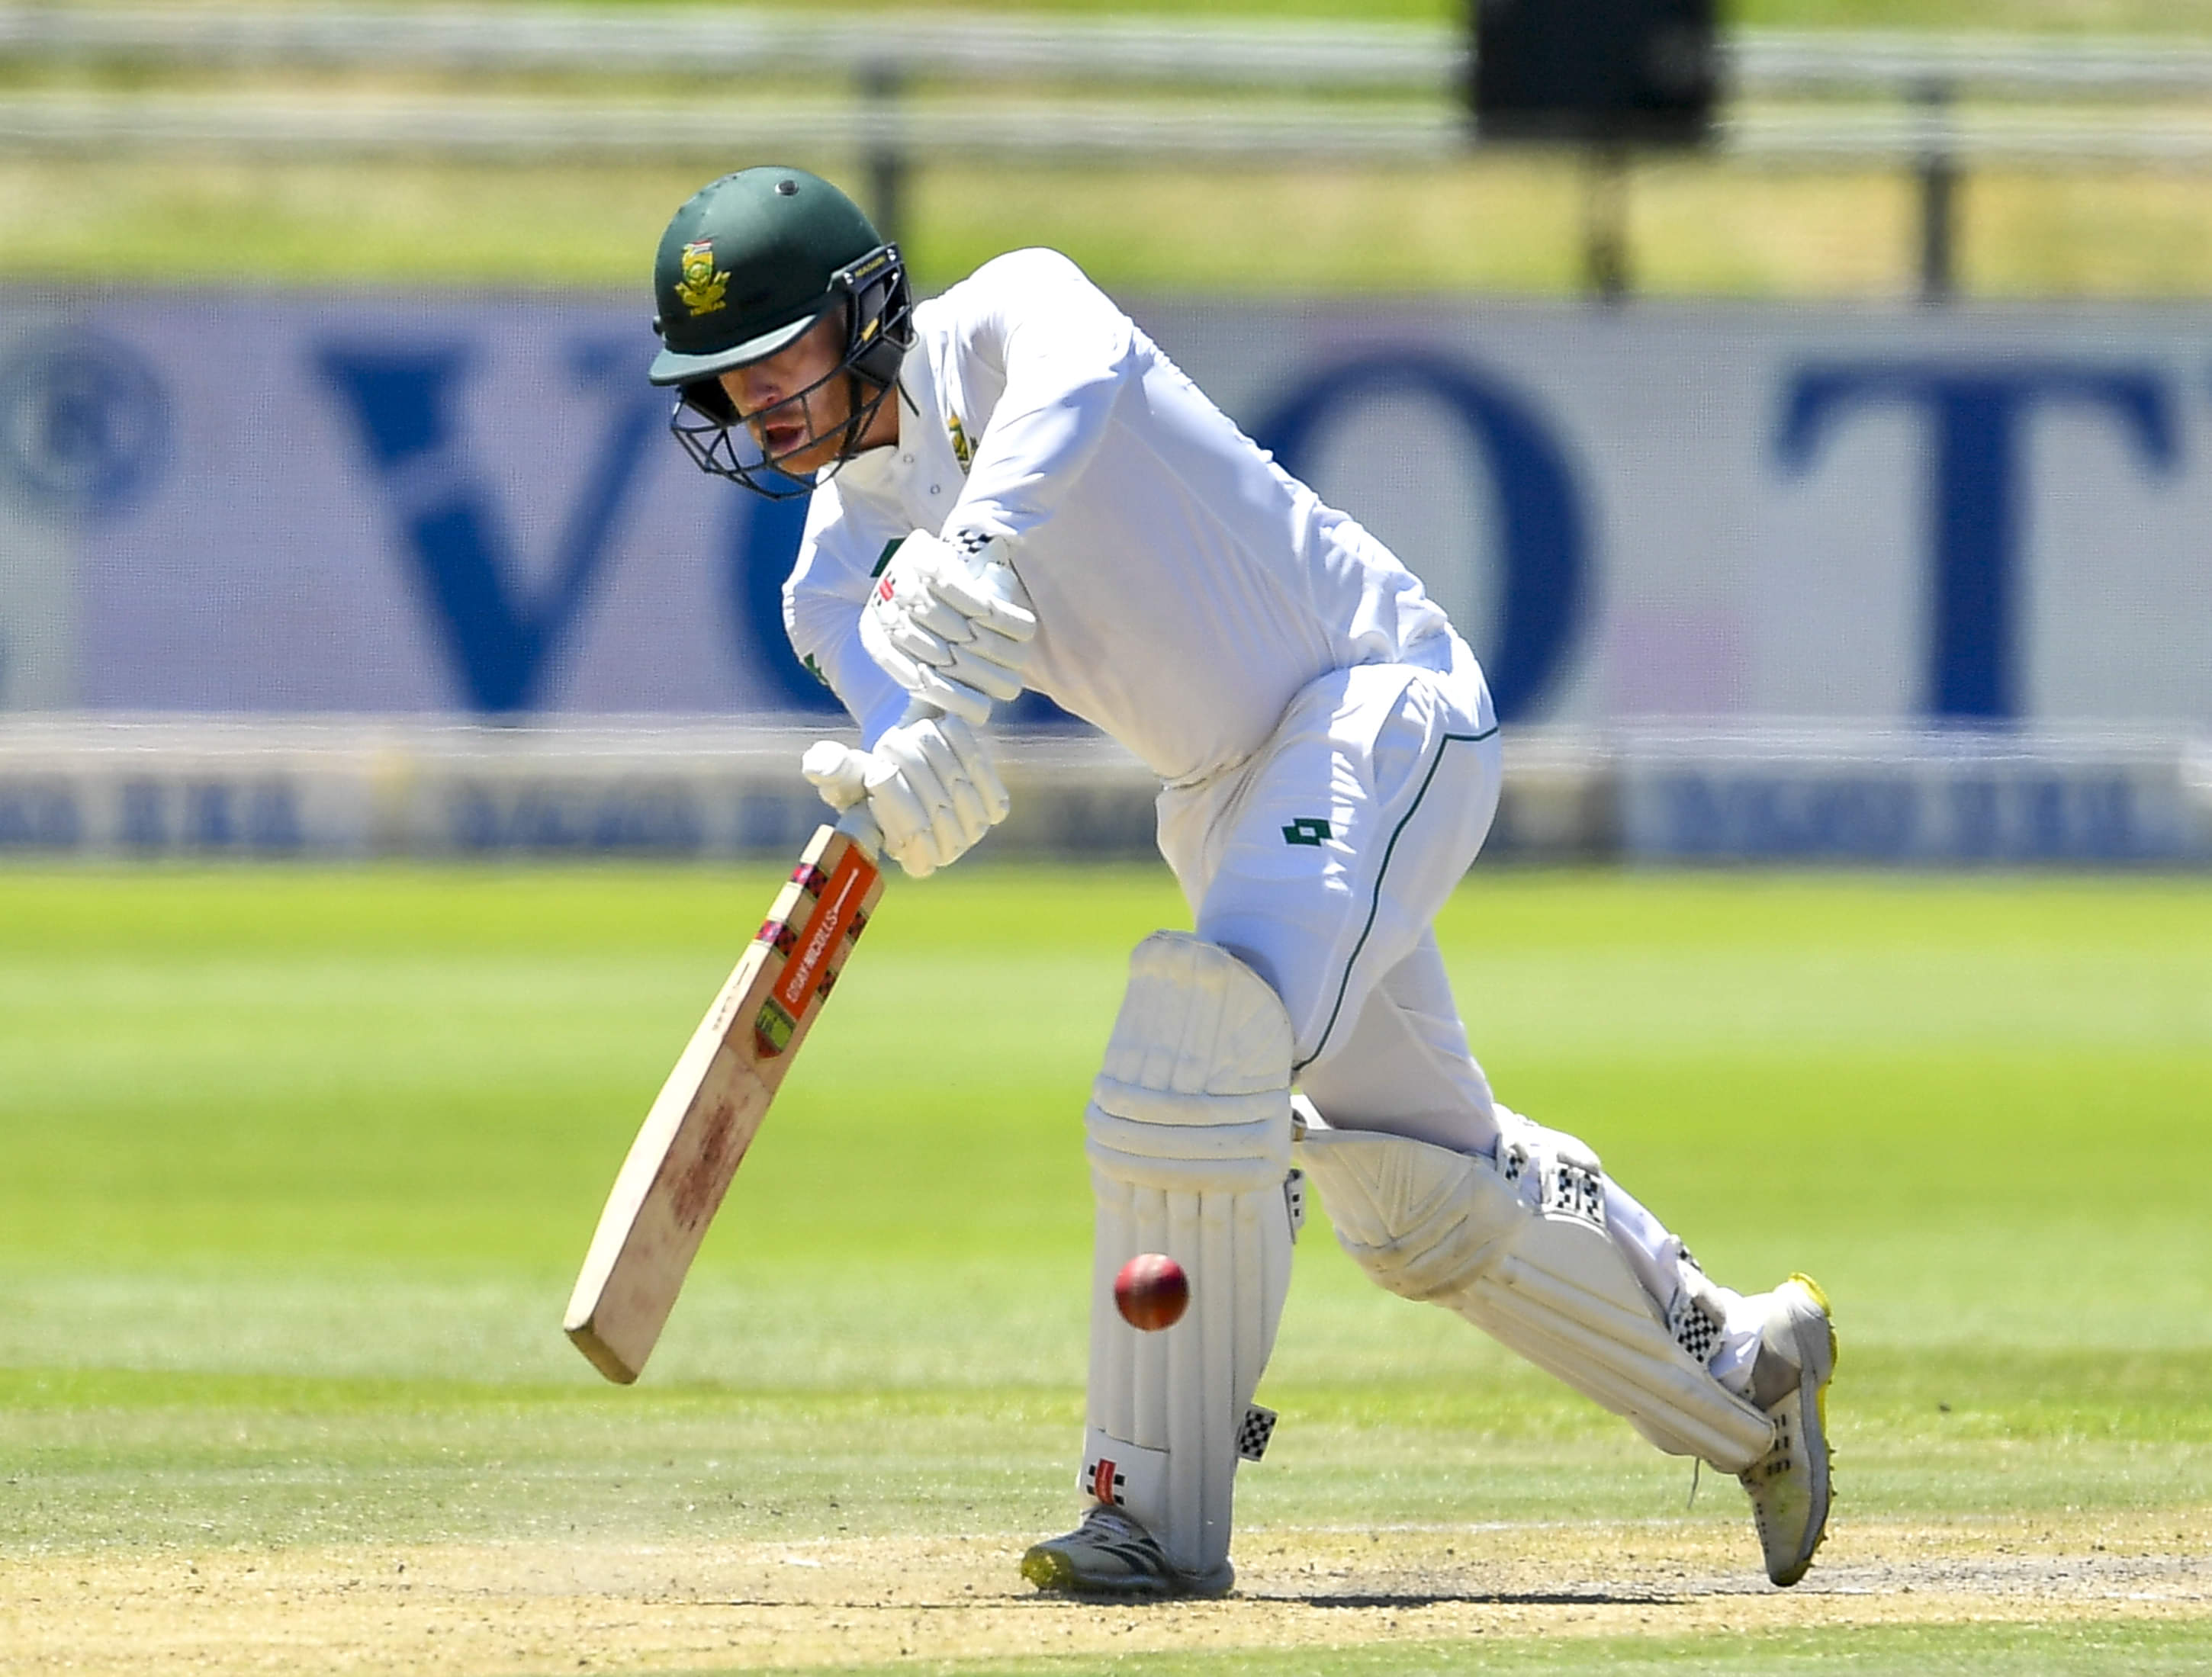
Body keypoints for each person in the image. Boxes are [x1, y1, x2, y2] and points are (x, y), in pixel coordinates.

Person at [644, 165, 1837, 1599]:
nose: (756, 404)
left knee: (1204, 1053)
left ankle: (1148, 1511)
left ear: (865, 311)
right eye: (723, 383)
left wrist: (977, 537)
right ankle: (1747, 1367)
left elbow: (1078, 382)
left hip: (1374, 705)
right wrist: (910, 773)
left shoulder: (1017, 311)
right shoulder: (834, 571)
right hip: (1220, 799)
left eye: (776, 355)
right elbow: (904, 718)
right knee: (1418, 1204)